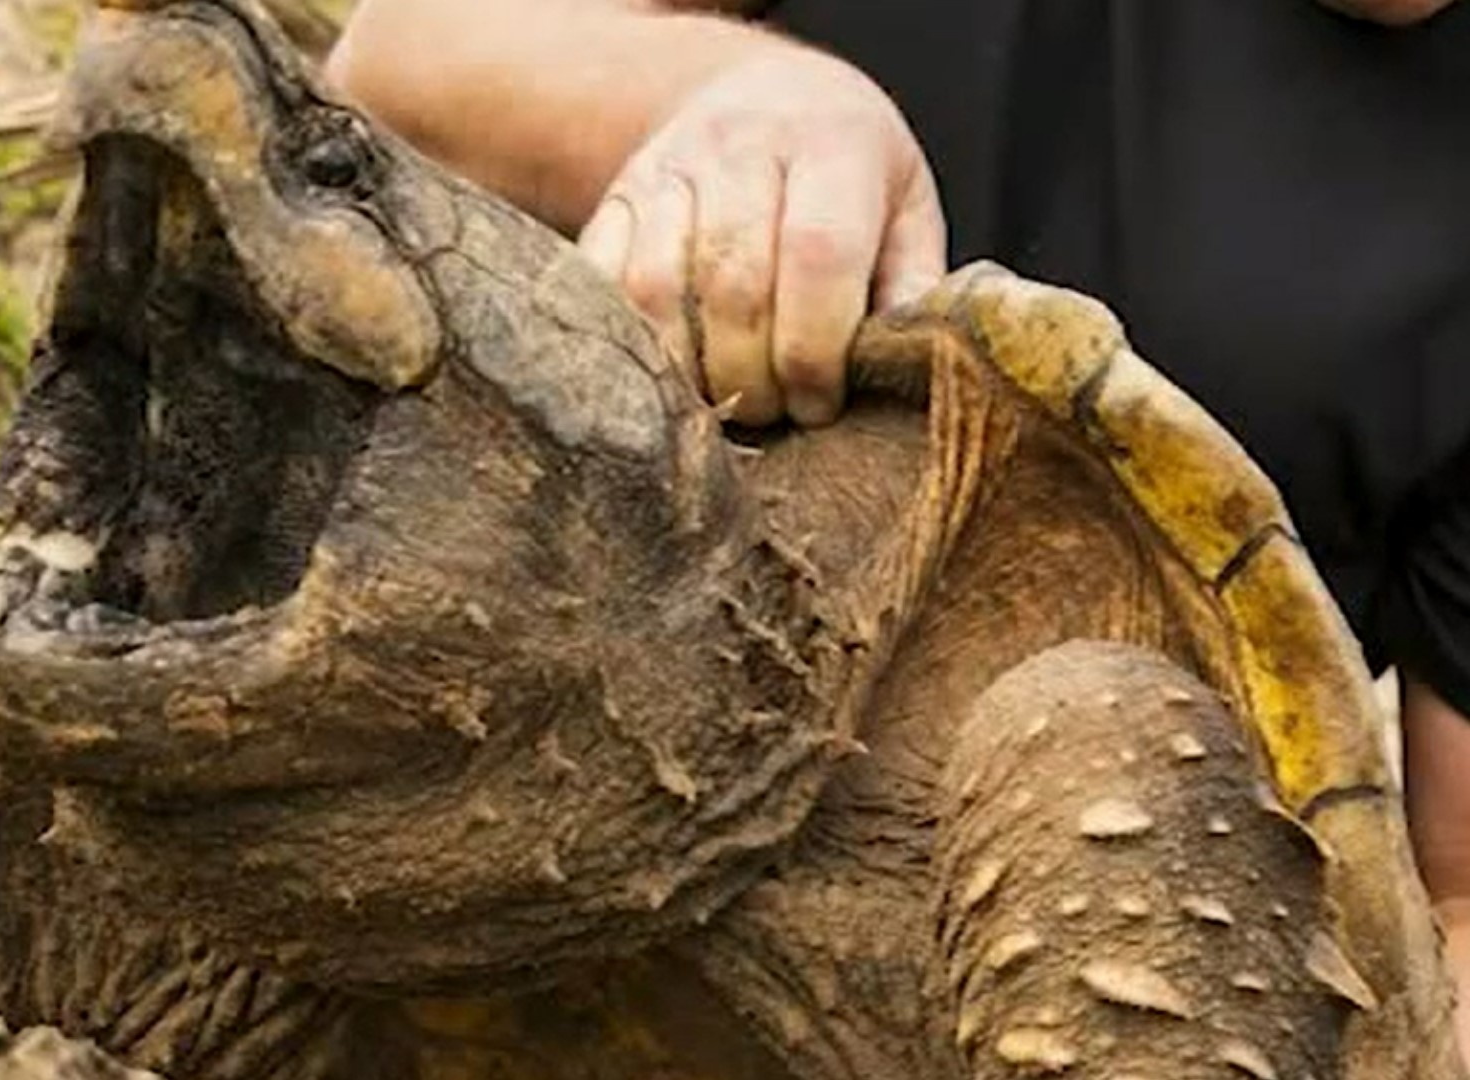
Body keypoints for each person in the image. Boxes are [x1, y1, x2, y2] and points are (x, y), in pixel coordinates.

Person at [323, 0, 1470, 1054]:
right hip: (567, 721)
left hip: (1081, 920)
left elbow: (1458, 896)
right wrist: (726, 91)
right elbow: (396, 57)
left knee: (1097, 748)